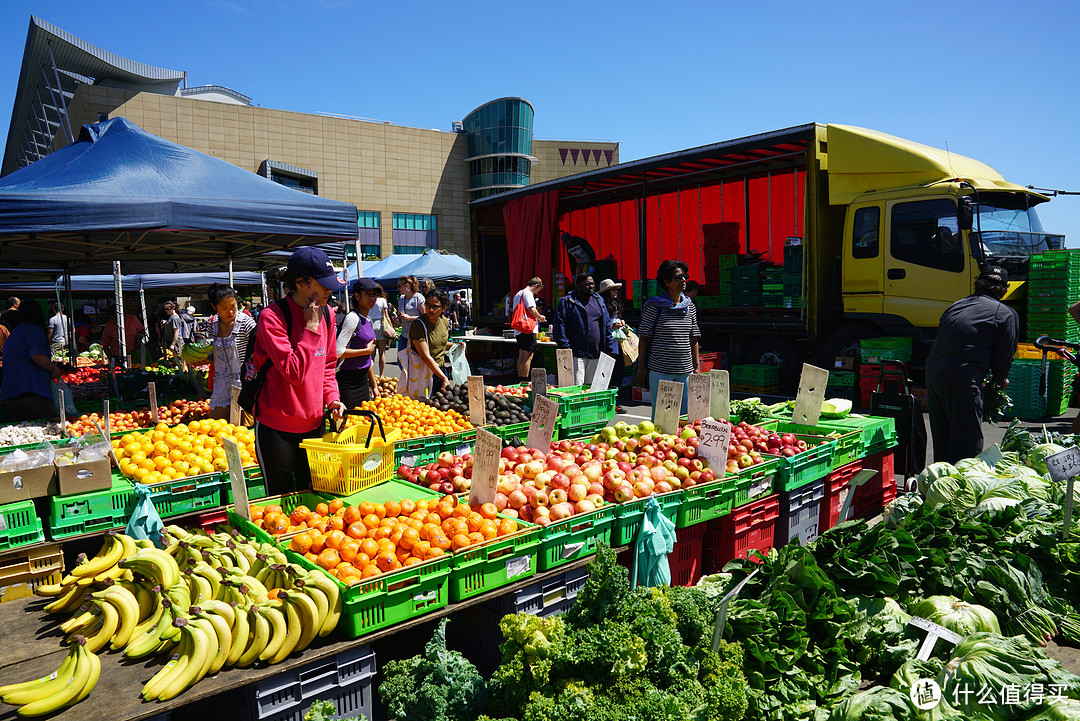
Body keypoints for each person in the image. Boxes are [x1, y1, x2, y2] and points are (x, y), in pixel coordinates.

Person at [250, 246, 347, 496]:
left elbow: (327, 365)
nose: (329, 290)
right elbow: (294, 373)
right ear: (300, 282)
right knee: (278, 501)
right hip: (276, 428)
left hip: (315, 424)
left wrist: (332, 398)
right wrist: (311, 329)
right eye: (323, 284)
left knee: (313, 499)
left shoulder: (328, 314)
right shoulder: (272, 317)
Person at [925, 266, 1018, 463]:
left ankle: (937, 486)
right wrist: (999, 381)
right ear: (1004, 289)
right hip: (963, 377)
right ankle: (960, 488)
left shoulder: (955, 305)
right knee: (967, 443)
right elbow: (1004, 359)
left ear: (977, 283)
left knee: (943, 437)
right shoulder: (1004, 314)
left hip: (933, 374)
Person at [635, 260, 701, 414]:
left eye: (685, 276)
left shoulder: (690, 306)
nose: (683, 280)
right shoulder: (655, 306)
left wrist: (697, 366)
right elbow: (643, 338)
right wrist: (641, 368)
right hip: (660, 371)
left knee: (684, 416)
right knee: (662, 416)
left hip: (685, 371)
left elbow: (694, 337)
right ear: (666, 282)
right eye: (678, 277)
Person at [198, 284, 257, 421]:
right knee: (218, 424)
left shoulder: (247, 323)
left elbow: (256, 350)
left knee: (244, 426)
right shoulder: (212, 324)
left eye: (233, 306)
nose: (230, 311)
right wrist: (207, 359)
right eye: (224, 308)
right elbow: (217, 350)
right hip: (221, 382)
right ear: (214, 307)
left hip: (243, 381)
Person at [0, 301, 62, 421]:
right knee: (42, 427)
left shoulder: (16, 332)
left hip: (11, 392)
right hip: (29, 391)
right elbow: (36, 356)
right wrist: (55, 369)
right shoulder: (34, 330)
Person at [553, 274, 616, 385]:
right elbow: (559, 326)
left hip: (596, 353)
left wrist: (608, 348)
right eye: (587, 284)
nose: (591, 286)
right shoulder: (568, 301)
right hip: (576, 354)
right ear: (578, 286)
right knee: (577, 388)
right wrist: (565, 348)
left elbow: (606, 325)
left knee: (592, 388)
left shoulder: (598, 301)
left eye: (592, 284)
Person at [337, 278, 382, 408]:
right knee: (348, 421)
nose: (372, 298)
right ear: (357, 296)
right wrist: (365, 351)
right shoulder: (352, 318)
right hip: (348, 381)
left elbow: (368, 360)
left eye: (374, 295)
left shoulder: (368, 320)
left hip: (363, 381)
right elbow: (338, 351)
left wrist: (374, 386)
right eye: (368, 294)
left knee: (362, 421)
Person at [407, 289, 453, 395]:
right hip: (424, 373)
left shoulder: (444, 322)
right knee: (425, 408)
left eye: (435, 306)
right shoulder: (418, 325)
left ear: (443, 308)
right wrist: (444, 378)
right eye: (428, 305)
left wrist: (455, 346)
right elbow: (424, 355)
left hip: (441, 371)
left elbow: (439, 344)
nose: (430, 309)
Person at [598, 278, 627, 409]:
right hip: (606, 345)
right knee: (608, 373)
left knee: (618, 372)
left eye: (616, 289)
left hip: (616, 344)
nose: (616, 292)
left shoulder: (614, 303)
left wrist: (621, 322)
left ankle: (613, 401)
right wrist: (612, 326)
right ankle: (608, 402)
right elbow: (599, 325)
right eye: (613, 289)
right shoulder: (600, 305)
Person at [511, 277, 546, 382]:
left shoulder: (518, 294)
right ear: (535, 286)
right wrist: (540, 317)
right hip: (528, 328)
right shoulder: (528, 293)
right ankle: (525, 381)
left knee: (521, 354)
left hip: (519, 328)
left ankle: (520, 379)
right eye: (537, 290)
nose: (536, 293)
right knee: (528, 356)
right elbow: (532, 308)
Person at [365, 284, 394, 378]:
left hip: (370, 325)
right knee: (382, 352)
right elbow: (386, 316)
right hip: (380, 326)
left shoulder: (368, 300)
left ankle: (371, 375)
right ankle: (381, 375)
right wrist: (391, 327)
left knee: (371, 353)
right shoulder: (382, 301)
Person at [396, 276, 423, 357]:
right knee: (401, 359)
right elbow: (400, 314)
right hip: (404, 334)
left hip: (416, 334)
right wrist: (398, 318)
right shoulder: (401, 298)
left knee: (415, 360)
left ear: (407, 285)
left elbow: (425, 316)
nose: (398, 288)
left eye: (400, 285)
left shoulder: (418, 297)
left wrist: (409, 318)